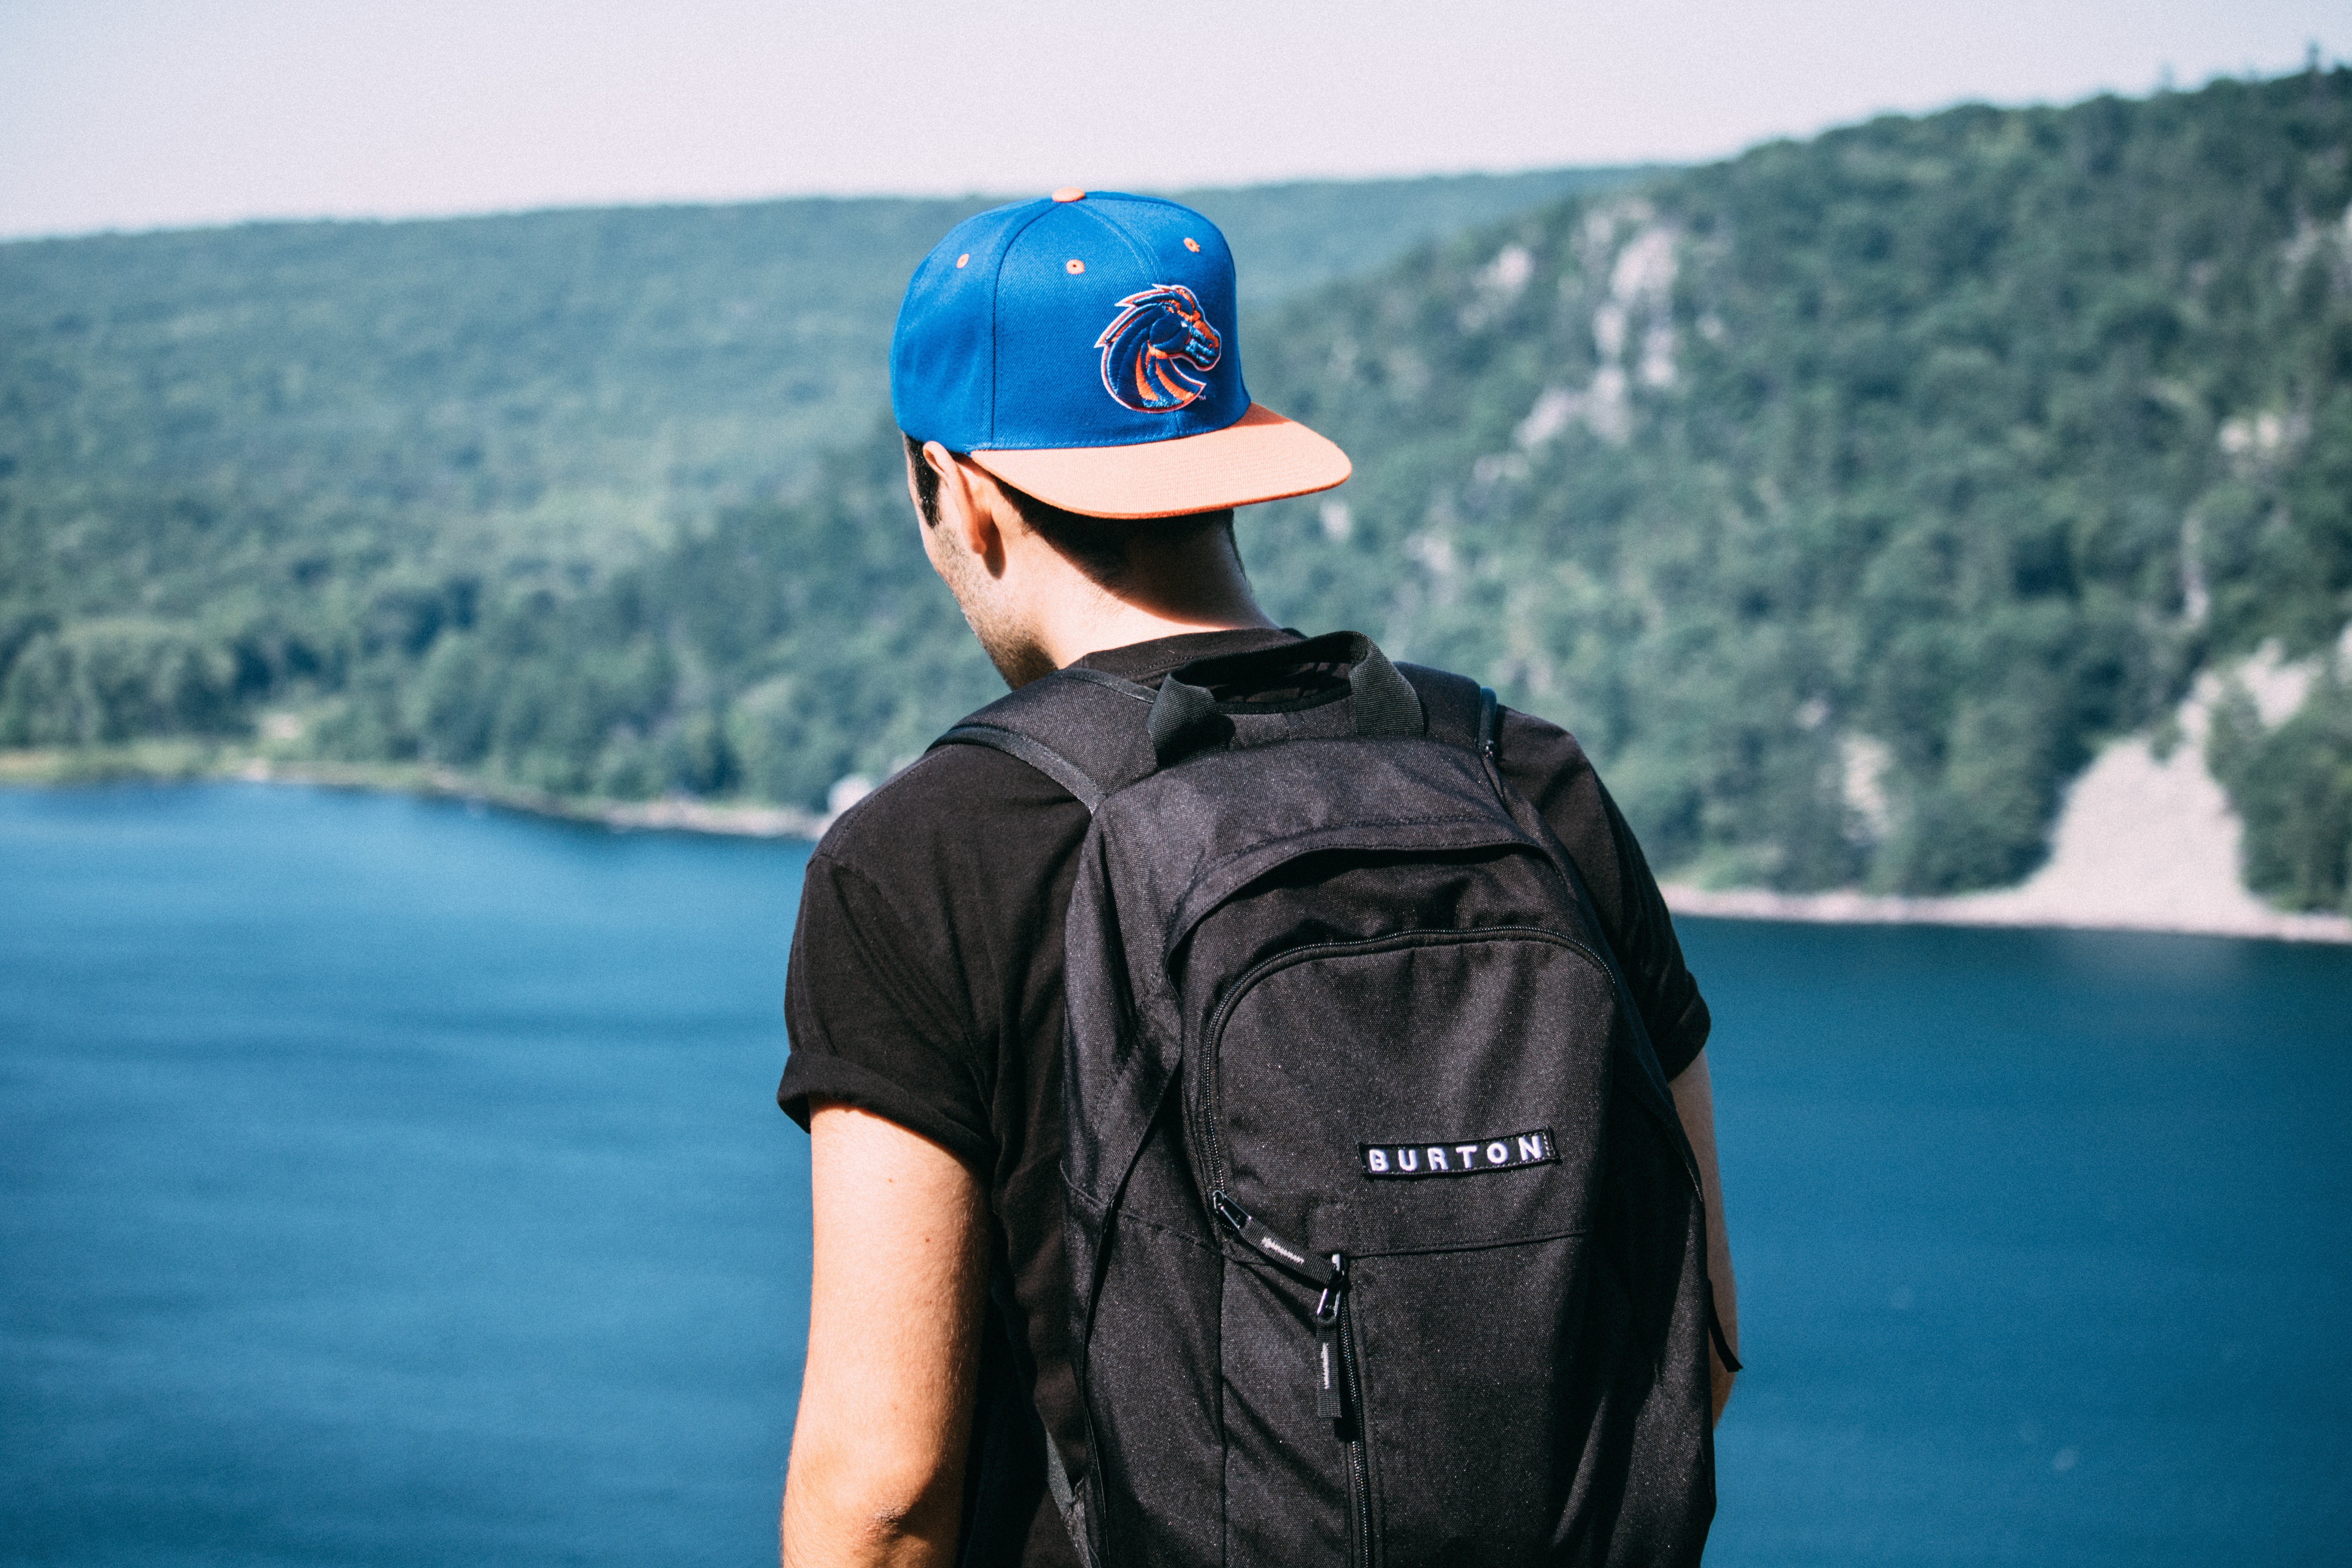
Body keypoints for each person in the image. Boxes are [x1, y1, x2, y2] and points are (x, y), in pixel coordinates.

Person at [777, 190, 1737, 1568]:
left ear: (963, 498)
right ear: (1229, 456)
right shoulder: (1533, 783)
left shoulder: (922, 860)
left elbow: (881, 1499)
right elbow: (1691, 1352)